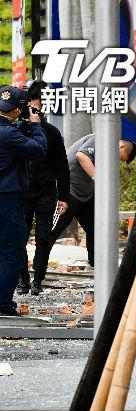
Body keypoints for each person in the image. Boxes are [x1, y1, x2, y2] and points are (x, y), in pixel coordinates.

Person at [30, 133, 136, 289]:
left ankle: (95, 268)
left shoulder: (108, 154)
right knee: (51, 232)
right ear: (122, 147)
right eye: (121, 158)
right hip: (68, 192)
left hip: (85, 195)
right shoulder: (100, 138)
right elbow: (81, 156)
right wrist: (98, 178)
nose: (118, 161)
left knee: (96, 229)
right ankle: (37, 277)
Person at [17, 81, 69, 296]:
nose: (34, 113)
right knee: (19, 237)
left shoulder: (52, 133)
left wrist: (64, 197)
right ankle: (22, 280)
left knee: (43, 238)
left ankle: (38, 280)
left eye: (37, 108)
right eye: (31, 108)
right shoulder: (16, 131)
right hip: (21, 192)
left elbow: (62, 166)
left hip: (46, 192)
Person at [0, 85, 47, 317]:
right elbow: (38, 150)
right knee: (12, 252)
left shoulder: (8, 131)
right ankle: (3, 305)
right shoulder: (9, 135)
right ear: (18, 110)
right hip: (6, 200)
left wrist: (24, 126)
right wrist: (36, 125)